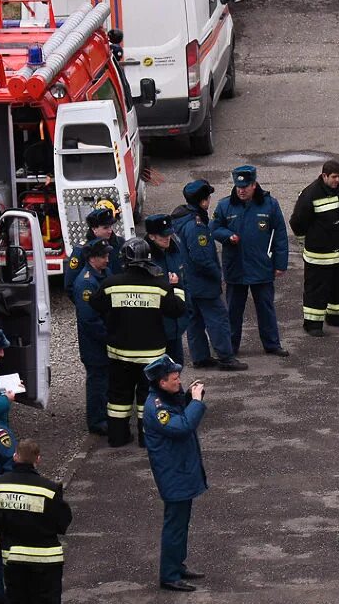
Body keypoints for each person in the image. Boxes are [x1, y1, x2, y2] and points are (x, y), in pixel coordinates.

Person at [92, 237, 186, 448]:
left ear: (124, 260)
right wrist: (177, 287)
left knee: (118, 397)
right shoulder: (160, 286)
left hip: (119, 353)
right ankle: (147, 438)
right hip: (151, 355)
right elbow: (177, 310)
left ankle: (117, 437)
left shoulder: (110, 285)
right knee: (147, 397)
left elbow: (95, 304)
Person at [0, 439, 72, 604]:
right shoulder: (49, 489)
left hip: (13, 558)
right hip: (45, 559)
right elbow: (62, 522)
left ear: (15, 456)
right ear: (38, 459)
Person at [143, 356, 208, 592]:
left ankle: (177, 565)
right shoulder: (157, 408)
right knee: (175, 525)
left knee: (181, 523)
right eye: (174, 378)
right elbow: (182, 427)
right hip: (174, 474)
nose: (179, 381)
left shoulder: (166, 398)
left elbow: (180, 413)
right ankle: (169, 574)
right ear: (162, 383)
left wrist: (189, 397)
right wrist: (197, 402)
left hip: (179, 471)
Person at [214, 164, 291, 359]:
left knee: (266, 308)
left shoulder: (270, 205)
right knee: (233, 310)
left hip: (261, 266)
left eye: (245, 187)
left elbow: (280, 235)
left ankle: (272, 344)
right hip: (236, 267)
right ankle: (231, 346)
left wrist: (280, 264)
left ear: (254, 185)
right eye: (239, 187)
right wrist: (227, 235)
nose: (241, 190)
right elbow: (213, 228)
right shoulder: (225, 205)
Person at [171, 179, 244, 369]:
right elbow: (201, 257)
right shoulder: (196, 226)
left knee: (195, 320)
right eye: (208, 197)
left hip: (188, 280)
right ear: (202, 201)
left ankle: (201, 357)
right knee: (218, 319)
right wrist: (216, 274)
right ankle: (226, 357)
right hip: (202, 282)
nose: (210, 200)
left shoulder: (181, 219)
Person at [292, 159, 339, 336]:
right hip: (319, 254)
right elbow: (297, 221)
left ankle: (338, 316)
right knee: (316, 289)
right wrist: (305, 242)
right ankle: (312, 324)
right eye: (334, 177)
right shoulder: (310, 194)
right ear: (324, 175)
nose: (337, 180)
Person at [70, 239, 111, 434]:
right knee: (97, 382)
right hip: (95, 344)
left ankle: (105, 415)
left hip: (103, 340)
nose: (107, 260)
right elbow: (90, 319)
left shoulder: (102, 274)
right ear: (92, 258)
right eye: (103, 256)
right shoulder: (86, 283)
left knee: (105, 380)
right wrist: (110, 336)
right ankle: (97, 421)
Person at [144, 215, 191, 364]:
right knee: (159, 372)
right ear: (151, 236)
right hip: (157, 327)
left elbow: (185, 281)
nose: (167, 238)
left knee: (177, 365)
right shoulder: (145, 259)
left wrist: (187, 310)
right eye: (163, 235)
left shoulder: (174, 249)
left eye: (169, 234)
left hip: (176, 324)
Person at [66, 204, 117, 280]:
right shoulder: (81, 251)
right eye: (105, 228)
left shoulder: (118, 243)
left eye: (110, 227)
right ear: (94, 229)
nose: (110, 231)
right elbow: (70, 282)